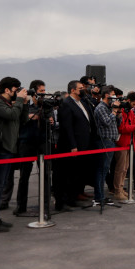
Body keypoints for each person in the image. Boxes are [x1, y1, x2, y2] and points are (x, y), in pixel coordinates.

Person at [0, 77, 28, 232]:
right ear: (7, 90)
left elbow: (22, 120)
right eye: (16, 90)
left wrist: (25, 103)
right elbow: (12, 116)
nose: (18, 93)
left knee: (0, 185)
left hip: (8, 148)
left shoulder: (10, 104)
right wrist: (20, 102)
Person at [53, 80, 95, 211]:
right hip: (72, 145)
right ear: (73, 90)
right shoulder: (67, 104)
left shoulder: (82, 102)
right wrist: (73, 145)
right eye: (80, 88)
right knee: (68, 174)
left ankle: (74, 197)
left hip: (85, 144)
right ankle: (65, 200)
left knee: (78, 173)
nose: (83, 90)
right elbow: (67, 127)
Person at [10, 80, 50, 215]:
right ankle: (21, 206)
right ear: (34, 92)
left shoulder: (45, 105)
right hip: (26, 142)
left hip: (42, 142)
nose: (43, 94)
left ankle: (45, 205)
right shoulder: (23, 104)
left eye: (44, 91)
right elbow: (19, 120)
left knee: (45, 175)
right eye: (41, 91)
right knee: (24, 175)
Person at [93, 85, 119, 206]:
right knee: (102, 169)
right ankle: (99, 197)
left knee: (104, 169)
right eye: (113, 95)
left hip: (111, 141)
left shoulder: (108, 107)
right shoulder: (101, 108)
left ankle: (100, 196)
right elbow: (107, 122)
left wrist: (116, 112)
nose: (114, 97)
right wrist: (114, 111)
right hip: (104, 141)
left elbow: (116, 122)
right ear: (107, 95)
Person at [114, 92, 135, 201]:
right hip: (122, 143)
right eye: (134, 104)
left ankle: (121, 189)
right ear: (129, 101)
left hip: (130, 143)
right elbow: (121, 128)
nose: (134, 106)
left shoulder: (130, 112)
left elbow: (133, 124)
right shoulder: (122, 111)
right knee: (120, 168)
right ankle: (117, 190)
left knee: (125, 168)